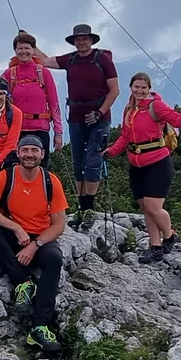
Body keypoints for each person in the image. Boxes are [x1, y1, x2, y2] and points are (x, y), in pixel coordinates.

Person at [0, 134, 67, 352]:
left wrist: (35, 245)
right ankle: (22, 282)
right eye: (25, 150)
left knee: (54, 259)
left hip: (39, 238)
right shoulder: (6, 177)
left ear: (42, 154)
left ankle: (39, 326)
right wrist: (15, 228)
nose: (29, 154)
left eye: (34, 151)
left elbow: (58, 224)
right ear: (18, 153)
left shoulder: (50, 181)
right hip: (15, 235)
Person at [29, 23, 119, 225]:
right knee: (78, 163)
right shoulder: (71, 59)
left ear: (91, 40)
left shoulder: (103, 59)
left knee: (93, 163)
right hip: (77, 117)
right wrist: (29, 43)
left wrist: (99, 113)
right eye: (78, 39)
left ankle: (88, 208)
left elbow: (115, 90)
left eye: (84, 39)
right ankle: (81, 207)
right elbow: (44, 61)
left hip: (99, 119)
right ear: (74, 41)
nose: (81, 42)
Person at [106, 72, 181, 264]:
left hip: (158, 162)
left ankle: (169, 236)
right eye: (136, 87)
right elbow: (125, 136)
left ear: (149, 89)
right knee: (146, 209)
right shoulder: (129, 109)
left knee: (153, 207)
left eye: (143, 87)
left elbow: (179, 121)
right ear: (131, 87)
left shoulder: (155, 105)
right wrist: (112, 151)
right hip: (136, 164)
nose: (140, 91)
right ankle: (155, 247)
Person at [3, 31, 63, 152]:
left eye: (27, 48)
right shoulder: (9, 74)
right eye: (20, 48)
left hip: (40, 129)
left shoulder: (44, 73)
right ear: (15, 51)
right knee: (16, 165)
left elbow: (54, 103)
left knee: (40, 166)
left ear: (33, 50)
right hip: (16, 129)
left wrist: (58, 133)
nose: (23, 51)